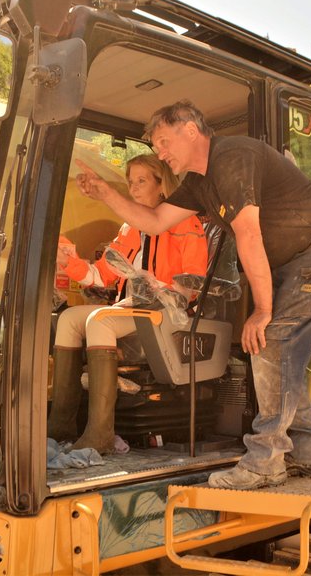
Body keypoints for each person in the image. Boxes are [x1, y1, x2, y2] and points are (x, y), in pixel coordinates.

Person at [75, 100, 311, 490]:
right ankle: (308, 456)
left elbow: (248, 233)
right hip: (300, 260)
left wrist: (262, 309)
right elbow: (156, 221)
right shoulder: (200, 181)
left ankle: (265, 462)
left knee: (269, 339)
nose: (160, 153)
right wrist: (106, 193)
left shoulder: (233, 157)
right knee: (286, 353)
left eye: (163, 141)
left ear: (190, 130)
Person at [48, 153, 208, 454]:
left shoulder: (187, 223)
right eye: (130, 182)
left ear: (161, 187)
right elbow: (100, 276)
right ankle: (61, 427)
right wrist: (68, 263)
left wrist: (158, 285)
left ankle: (100, 435)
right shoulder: (128, 229)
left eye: (142, 181)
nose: (133, 189)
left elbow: (192, 286)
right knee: (69, 319)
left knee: (100, 320)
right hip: (132, 307)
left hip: (168, 311)